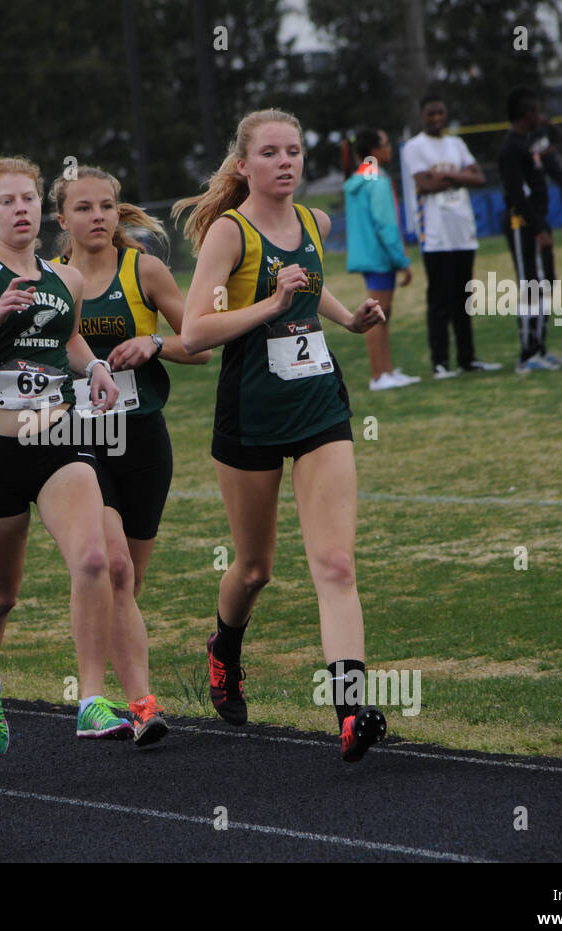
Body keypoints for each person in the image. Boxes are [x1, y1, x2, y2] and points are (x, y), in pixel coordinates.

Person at [172, 109, 389, 762]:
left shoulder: (316, 223)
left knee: (336, 563)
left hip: (319, 404)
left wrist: (350, 319)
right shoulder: (229, 236)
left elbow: (310, 284)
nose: (286, 161)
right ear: (244, 165)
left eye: (294, 149)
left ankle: (351, 711)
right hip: (251, 413)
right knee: (256, 566)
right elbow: (191, 333)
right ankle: (225, 648)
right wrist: (269, 302)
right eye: (271, 152)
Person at [0, 156, 133, 757]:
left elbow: (67, 335)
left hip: (57, 440)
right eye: (7, 201)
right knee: (0, 595)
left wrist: (94, 365)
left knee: (93, 556)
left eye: (29, 199)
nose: (21, 209)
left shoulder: (63, 278)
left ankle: (92, 699)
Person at [49, 166, 212, 745]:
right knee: (113, 567)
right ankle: (141, 704)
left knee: (128, 582)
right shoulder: (49, 282)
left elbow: (201, 343)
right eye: (85, 207)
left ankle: (111, 686)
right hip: (78, 444)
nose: (98, 217)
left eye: (108, 206)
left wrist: (156, 342)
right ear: (62, 218)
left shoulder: (143, 269)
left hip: (142, 439)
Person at [401, 93, 502, 379]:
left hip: (463, 232)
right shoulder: (414, 147)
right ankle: (440, 362)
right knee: (440, 299)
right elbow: (425, 185)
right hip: (435, 235)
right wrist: (459, 175)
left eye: (440, 113)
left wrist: (447, 177)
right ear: (422, 116)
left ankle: (467, 359)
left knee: (464, 298)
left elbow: (479, 178)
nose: (437, 118)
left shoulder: (456, 143)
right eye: (431, 114)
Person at [342, 128, 419, 391]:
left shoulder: (361, 178)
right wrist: (402, 260)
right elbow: (386, 226)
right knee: (377, 316)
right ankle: (379, 376)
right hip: (381, 258)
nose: (389, 148)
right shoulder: (377, 181)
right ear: (374, 151)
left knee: (382, 314)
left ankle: (386, 371)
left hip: (369, 257)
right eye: (385, 144)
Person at [500, 87, 562, 374]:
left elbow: (556, 143)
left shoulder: (529, 141)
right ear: (527, 114)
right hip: (523, 224)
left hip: (538, 219)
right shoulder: (510, 148)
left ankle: (540, 347)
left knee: (546, 282)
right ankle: (527, 354)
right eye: (536, 111)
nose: (540, 115)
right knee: (531, 284)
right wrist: (538, 227)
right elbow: (517, 195)